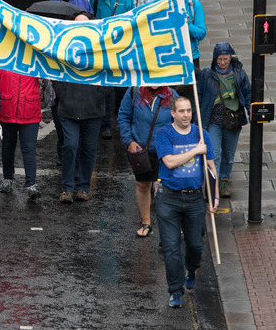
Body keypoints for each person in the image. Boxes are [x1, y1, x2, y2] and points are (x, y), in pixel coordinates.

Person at [154, 96, 216, 309]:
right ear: (173, 113)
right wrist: (195, 151)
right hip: (168, 198)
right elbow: (169, 162)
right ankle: (175, 290)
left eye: (189, 110)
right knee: (171, 247)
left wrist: (214, 196)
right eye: (181, 111)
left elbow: (210, 167)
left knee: (196, 244)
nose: (186, 114)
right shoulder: (163, 133)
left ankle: (191, 269)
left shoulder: (202, 134)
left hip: (194, 198)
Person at [117, 85, 177, 237]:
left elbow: (181, 120)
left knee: (164, 189)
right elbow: (123, 116)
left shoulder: (171, 95)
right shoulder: (133, 92)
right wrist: (129, 141)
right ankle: (146, 222)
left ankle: (168, 229)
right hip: (141, 151)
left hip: (164, 152)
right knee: (143, 185)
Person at [197, 42, 251, 198]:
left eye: (225, 59)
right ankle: (212, 185)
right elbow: (199, 96)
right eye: (219, 59)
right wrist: (197, 116)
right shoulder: (207, 74)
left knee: (228, 154)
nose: (222, 62)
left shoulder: (239, 73)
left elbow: (247, 94)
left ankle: (223, 182)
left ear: (230, 58)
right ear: (215, 59)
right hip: (213, 120)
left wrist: (251, 111)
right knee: (214, 153)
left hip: (232, 120)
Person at [51, 65, 108, 203]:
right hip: (68, 108)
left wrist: (100, 94)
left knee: (88, 150)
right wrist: (62, 93)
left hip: (93, 109)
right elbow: (56, 70)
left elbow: (108, 72)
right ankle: (67, 188)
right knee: (70, 146)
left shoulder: (98, 50)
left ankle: (83, 188)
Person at [0, 67, 44, 200]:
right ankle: (7, 178)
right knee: (8, 147)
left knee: (29, 149)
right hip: (8, 110)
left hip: (30, 111)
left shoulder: (34, 58)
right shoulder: (5, 57)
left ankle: (31, 184)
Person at [166, 0, 206, 69]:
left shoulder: (194, 5)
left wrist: (186, 23)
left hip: (191, 57)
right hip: (171, 59)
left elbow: (201, 33)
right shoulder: (164, 6)